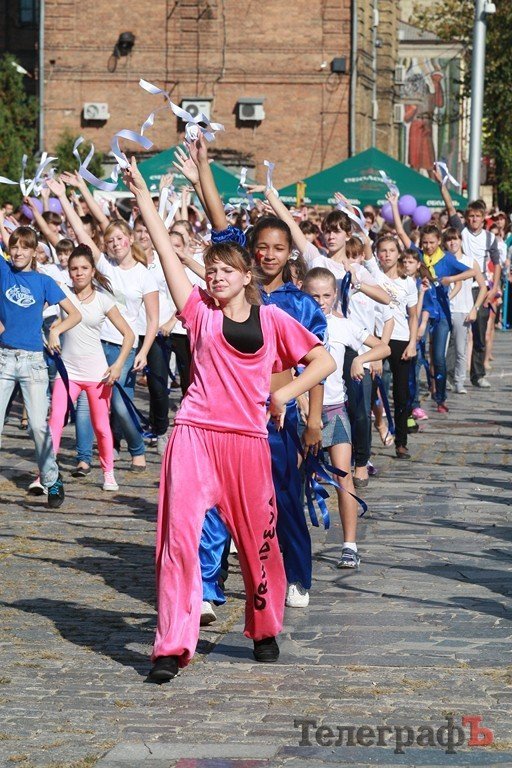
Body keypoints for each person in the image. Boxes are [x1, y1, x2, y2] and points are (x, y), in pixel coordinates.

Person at [125, 154, 336, 683]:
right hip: (194, 437)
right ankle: (171, 646)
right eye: (211, 270)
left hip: (246, 441)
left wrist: (284, 392)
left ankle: (263, 629)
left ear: (246, 277)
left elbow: (324, 361)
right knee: (178, 540)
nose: (215, 276)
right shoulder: (197, 311)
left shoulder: (274, 318)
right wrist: (144, 199)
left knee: (257, 541)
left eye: (225, 270)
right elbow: (170, 257)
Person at [176, 142, 328, 610]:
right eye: (261, 247)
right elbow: (220, 224)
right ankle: (209, 586)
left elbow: (316, 366)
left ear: (289, 255)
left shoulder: (299, 305)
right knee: (217, 506)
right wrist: (202, 170)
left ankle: (296, 577)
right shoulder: (239, 290)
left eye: (278, 248)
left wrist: (313, 419)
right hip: (227, 416)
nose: (268, 255)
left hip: (277, 420)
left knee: (282, 502)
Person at [47, 177, 159, 472]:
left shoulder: (144, 275)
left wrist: (144, 352)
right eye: (110, 241)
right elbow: (83, 235)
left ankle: (136, 448)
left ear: (130, 240)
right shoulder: (104, 266)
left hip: (125, 347)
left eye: (120, 239)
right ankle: (84, 458)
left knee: (120, 406)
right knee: (84, 406)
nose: (115, 244)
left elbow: (152, 319)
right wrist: (67, 196)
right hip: (95, 344)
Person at [302, 267, 390, 567]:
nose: (321, 301)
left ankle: (350, 545)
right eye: (314, 295)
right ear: (303, 294)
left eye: (326, 295)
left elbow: (382, 346)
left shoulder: (342, 326)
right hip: (301, 412)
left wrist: (362, 360)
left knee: (343, 476)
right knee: (291, 480)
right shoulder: (294, 324)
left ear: (335, 295)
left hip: (333, 410)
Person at [0, 226, 82, 507]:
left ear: (35, 252)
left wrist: (56, 331)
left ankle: (51, 478)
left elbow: (74, 313)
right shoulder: (4, 271)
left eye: (25, 247)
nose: (19, 251)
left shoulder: (44, 281)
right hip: (4, 359)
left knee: (37, 426)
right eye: (14, 246)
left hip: (34, 362)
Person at [48, 245, 134, 491]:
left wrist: (117, 365)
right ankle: (47, 473)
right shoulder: (63, 294)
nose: (79, 273)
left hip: (97, 374)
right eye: (74, 269)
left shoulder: (104, 299)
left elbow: (128, 335)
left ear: (93, 270)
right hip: (68, 373)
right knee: (55, 420)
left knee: (101, 426)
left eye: (84, 268)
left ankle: (108, 473)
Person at [388, 193, 475, 413]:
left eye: (431, 243)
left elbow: (473, 272)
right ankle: (414, 401)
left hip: (441, 315)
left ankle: (440, 397)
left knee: (438, 358)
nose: (427, 246)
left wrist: (451, 280)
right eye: (424, 242)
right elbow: (400, 232)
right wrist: (393, 206)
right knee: (415, 359)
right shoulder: (416, 256)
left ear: (439, 242)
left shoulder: (447, 259)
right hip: (418, 313)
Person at [433, 171, 501, 388]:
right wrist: (442, 186)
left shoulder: (490, 237)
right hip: (459, 284)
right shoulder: (461, 232)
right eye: (470, 216)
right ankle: (453, 376)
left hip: (479, 286)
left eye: (477, 217)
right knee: (457, 334)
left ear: (483, 218)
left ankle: (478, 374)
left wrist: (494, 287)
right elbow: (451, 208)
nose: (473, 220)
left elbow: (497, 263)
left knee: (479, 333)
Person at [364, 235, 418, 459]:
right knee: (367, 391)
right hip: (376, 339)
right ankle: (363, 445)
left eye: (391, 251)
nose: (386, 255)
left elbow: (413, 315)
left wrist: (413, 342)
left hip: (401, 340)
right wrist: (353, 217)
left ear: (398, 254)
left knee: (401, 393)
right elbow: (365, 246)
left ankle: (401, 441)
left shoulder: (408, 283)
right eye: (382, 251)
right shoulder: (374, 275)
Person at [443, 228, 487, 394]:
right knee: (443, 350)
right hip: (445, 310)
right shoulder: (442, 261)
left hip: (463, 310)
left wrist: (475, 308)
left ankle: (459, 381)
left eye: (455, 239)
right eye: (448, 240)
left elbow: (483, 287)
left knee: (461, 350)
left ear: (460, 240)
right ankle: (444, 379)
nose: (452, 243)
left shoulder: (470, 262)